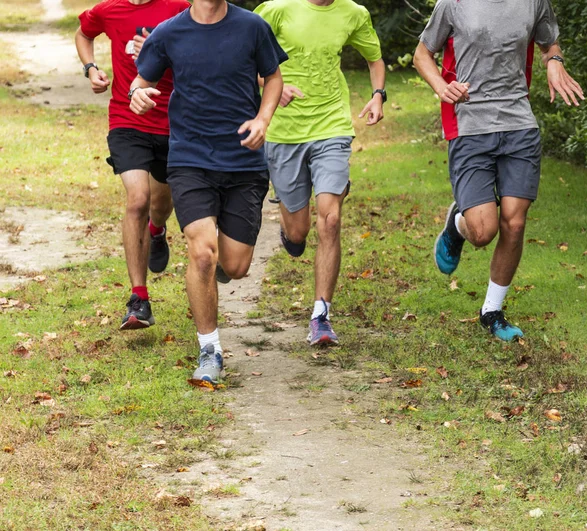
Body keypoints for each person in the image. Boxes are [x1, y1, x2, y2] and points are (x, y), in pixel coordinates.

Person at [129, 0, 287, 382]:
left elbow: (274, 77)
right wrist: (138, 94)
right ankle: (209, 349)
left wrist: (263, 119)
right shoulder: (169, 32)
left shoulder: (252, 27)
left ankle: (218, 270)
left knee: (235, 266)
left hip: (244, 163)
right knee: (202, 254)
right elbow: (141, 81)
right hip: (190, 160)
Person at [414, 0, 584, 341]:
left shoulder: (534, 2)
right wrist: (440, 86)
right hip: (469, 124)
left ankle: (491, 311)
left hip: (518, 124)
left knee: (515, 222)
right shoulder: (454, 3)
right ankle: (457, 225)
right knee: (482, 231)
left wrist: (555, 62)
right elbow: (422, 54)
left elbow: (549, 42)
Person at [255, 0, 386, 346]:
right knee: (298, 235)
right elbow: (242, 56)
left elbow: (375, 58)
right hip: (284, 133)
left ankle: (321, 315)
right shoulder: (276, 9)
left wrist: (378, 95)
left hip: (332, 126)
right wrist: (273, 87)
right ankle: (288, 216)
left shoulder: (353, 13)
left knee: (330, 219)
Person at [75, 0, 189, 331]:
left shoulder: (179, 8)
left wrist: (158, 52)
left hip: (171, 121)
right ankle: (138, 299)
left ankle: (157, 231)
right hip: (127, 121)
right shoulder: (109, 10)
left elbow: (200, 57)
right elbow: (83, 34)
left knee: (160, 203)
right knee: (137, 199)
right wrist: (91, 69)